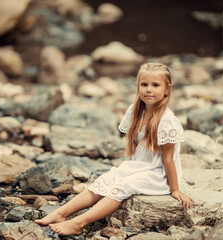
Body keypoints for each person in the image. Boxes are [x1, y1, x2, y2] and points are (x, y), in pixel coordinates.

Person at [34, 62, 194, 236]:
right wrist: (130, 169)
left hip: (158, 174)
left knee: (123, 186)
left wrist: (175, 189)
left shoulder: (166, 121)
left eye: (155, 85)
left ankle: (79, 223)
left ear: (167, 90)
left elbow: (168, 159)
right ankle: (61, 213)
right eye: (144, 84)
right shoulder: (136, 111)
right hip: (141, 166)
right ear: (138, 86)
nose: (149, 89)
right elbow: (135, 147)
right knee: (108, 177)